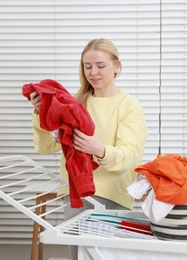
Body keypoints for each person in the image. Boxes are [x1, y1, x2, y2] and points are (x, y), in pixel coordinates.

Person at [29, 38, 148, 214]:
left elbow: (129, 156)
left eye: (100, 66)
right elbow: (45, 147)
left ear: (116, 66)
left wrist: (99, 150)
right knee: (76, 242)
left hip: (112, 196)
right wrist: (41, 112)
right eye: (88, 66)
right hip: (75, 193)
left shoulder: (129, 105)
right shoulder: (74, 103)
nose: (93, 72)